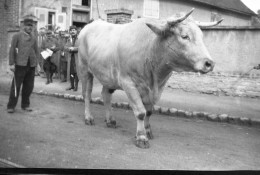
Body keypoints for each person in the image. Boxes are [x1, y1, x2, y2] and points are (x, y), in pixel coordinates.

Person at [7, 18, 39, 113]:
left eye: (31, 26)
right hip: (20, 64)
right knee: (16, 86)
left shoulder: (34, 37)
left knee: (29, 86)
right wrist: (12, 63)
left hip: (31, 65)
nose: (29, 28)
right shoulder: (17, 36)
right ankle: (11, 106)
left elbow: (36, 51)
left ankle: (25, 105)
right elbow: (12, 49)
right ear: (23, 26)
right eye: (28, 26)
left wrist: (37, 64)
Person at [64, 26, 79, 91]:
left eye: (74, 30)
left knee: (76, 72)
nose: (72, 31)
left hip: (77, 58)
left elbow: (82, 47)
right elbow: (65, 47)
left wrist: (74, 49)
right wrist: (69, 48)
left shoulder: (80, 38)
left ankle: (76, 86)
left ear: (76, 31)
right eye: (71, 30)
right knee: (71, 72)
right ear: (70, 32)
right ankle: (72, 85)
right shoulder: (69, 39)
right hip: (71, 58)